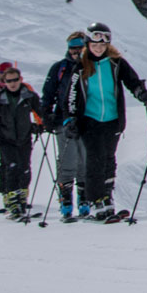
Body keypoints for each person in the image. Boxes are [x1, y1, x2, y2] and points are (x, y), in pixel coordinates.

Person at [61, 22, 147, 220]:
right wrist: (71, 118)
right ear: (88, 43)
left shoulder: (116, 62)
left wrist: (140, 92)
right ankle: (96, 200)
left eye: (102, 44)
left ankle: (107, 198)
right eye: (94, 44)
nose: (98, 48)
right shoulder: (80, 66)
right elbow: (72, 94)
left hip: (113, 119)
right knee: (95, 160)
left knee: (109, 159)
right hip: (90, 120)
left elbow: (132, 80)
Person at [0, 62, 44, 219]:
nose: (13, 83)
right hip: (5, 139)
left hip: (24, 138)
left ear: (20, 79)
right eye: (9, 81)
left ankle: (21, 198)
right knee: (12, 167)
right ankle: (12, 201)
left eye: (15, 80)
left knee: (25, 168)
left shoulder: (29, 96)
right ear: (4, 82)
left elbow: (41, 112)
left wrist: (42, 125)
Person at [41, 32, 87, 217]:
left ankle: (84, 198)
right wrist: (46, 115)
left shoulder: (91, 67)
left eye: (79, 48)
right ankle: (66, 200)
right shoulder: (59, 68)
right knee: (67, 160)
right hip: (63, 120)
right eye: (73, 48)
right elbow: (48, 93)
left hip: (86, 121)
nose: (76, 52)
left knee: (85, 160)